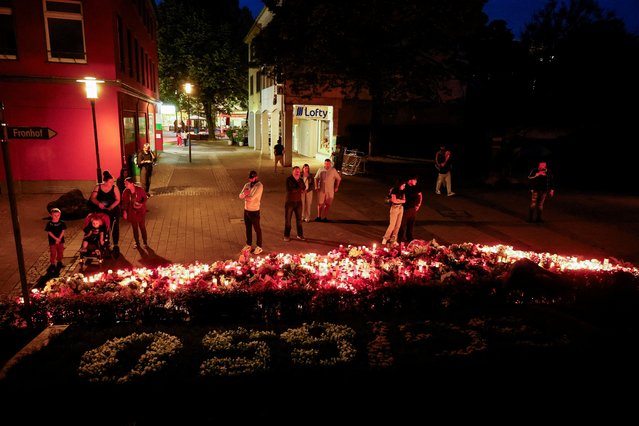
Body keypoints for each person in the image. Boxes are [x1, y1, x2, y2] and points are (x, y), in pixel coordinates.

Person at [89, 170, 121, 256]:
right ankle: (103, 242)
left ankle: (116, 244)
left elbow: (118, 199)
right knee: (102, 226)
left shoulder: (114, 188)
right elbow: (93, 198)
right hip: (101, 211)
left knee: (114, 227)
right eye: (111, 181)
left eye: (113, 181)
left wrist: (111, 207)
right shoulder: (98, 187)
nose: (112, 183)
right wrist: (98, 203)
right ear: (106, 181)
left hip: (112, 210)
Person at [239, 170, 264, 254]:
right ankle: (248, 244)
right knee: (248, 228)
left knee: (257, 229)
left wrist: (245, 195)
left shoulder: (259, 186)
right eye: (250, 178)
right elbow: (240, 195)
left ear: (256, 177)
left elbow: (251, 198)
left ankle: (259, 246)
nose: (250, 180)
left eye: (252, 178)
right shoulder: (247, 185)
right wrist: (245, 195)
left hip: (254, 211)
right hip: (246, 210)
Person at [122, 177, 149, 249]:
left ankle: (145, 242)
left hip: (140, 211)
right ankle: (137, 242)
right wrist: (125, 212)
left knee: (142, 227)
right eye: (125, 183)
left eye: (127, 183)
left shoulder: (139, 190)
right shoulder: (125, 192)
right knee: (134, 228)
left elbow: (145, 198)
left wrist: (141, 204)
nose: (125, 185)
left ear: (132, 183)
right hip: (131, 212)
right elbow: (124, 203)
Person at [397, 175, 423, 243]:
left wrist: (419, 204)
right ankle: (400, 238)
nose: (416, 182)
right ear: (410, 180)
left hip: (413, 209)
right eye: (415, 180)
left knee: (411, 224)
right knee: (402, 225)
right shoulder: (405, 187)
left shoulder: (416, 187)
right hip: (405, 209)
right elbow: (398, 191)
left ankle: (409, 237)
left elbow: (420, 195)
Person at [284, 166, 306, 242]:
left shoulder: (300, 180)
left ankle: (300, 235)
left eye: (298, 171)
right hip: (290, 202)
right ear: (292, 172)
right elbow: (292, 190)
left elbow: (304, 187)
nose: (297, 173)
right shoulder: (289, 179)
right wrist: (300, 188)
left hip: (298, 202)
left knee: (299, 220)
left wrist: (299, 187)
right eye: (296, 171)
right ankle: (286, 235)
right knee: (288, 220)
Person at [382, 181, 406, 245]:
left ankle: (394, 239)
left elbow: (404, 200)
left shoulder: (403, 191)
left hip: (401, 208)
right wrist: (400, 201)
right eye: (403, 185)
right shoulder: (394, 190)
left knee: (398, 225)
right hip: (394, 208)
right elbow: (394, 200)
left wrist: (399, 200)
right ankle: (386, 238)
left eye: (404, 186)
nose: (404, 187)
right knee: (392, 225)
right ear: (399, 185)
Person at [44, 207, 67, 274]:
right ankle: (52, 264)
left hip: (60, 241)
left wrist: (59, 238)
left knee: (60, 252)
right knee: (53, 253)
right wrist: (56, 239)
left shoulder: (62, 223)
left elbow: (63, 231)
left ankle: (59, 262)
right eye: (55, 215)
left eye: (58, 215)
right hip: (52, 241)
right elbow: (49, 232)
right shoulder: (49, 224)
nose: (57, 217)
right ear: (51, 215)